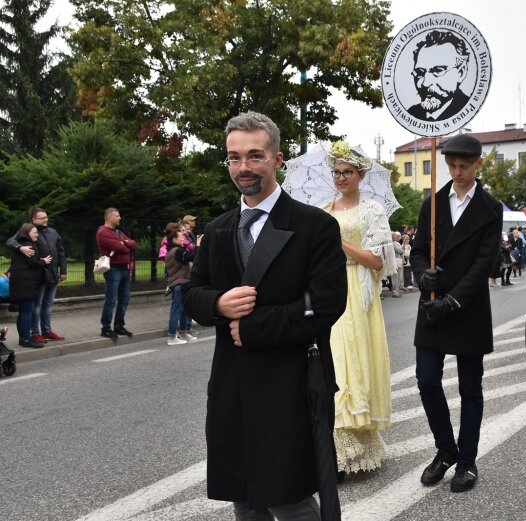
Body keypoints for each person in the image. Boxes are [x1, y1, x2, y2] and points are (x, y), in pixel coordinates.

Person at [182, 111, 347, 521]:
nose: (243, 168)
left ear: (277, 159)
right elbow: (190, 293)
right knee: (244, 497)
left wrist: (253, 326)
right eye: (234, 158)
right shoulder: (219, 229)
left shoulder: (315, 226)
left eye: (255, 156)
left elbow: (326, 304)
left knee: (289, 498)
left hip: (290, 381)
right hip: (231, 384)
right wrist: (218, 304)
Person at [410, 133, 503, 493]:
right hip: (431, 304)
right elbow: (418, 250)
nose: (458, 171)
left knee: (470, 388)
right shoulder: (431, 203)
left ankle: (466, 460)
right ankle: (445, 450)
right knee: (427, 380)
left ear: (479, 164)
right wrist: (421, 275)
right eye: (451, 165)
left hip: (468, 308)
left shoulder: (491, 208)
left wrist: (454, 300)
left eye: (465, 165)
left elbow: (484, 265)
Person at [323, 140, 395, 479]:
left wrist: (340, 245)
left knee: (351, 359)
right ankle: (336, 446)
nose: (340, 178)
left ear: (360, 174)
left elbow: (377, 260)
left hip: (356, 289)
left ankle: (354, 443)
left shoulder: (372, 211)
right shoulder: (324, 209)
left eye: (347, 172)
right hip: (329, 289)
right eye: (336, 172)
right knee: (333, 361)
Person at [5, 208, 67, 344]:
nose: (45, 219)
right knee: (36, 305)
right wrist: (20, 247)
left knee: (48, 304)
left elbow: (61, 251)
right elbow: (10, 242)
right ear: (33, 220)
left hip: (53, 274)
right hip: (39, 275)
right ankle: (35, 333)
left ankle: (47, 331)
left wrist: (63, 270)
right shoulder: (29, 231)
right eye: (41, 218)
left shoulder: (53, 232)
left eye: (46, 217)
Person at [406, 30, 471, 122]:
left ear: (461, 72)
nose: (425, 83)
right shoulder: (412, 113)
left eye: (438, 71)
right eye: (420, 72)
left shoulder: (467, 108)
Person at [8, 223, 52, 348]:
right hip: (26, 285)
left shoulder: (21, 244)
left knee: (23, 312)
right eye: (34, 232)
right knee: (27, 312)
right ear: (27, 233)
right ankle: (26, 340)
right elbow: (33, 263)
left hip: (22, 284)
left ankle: (23, 339)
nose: (37, 234)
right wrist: (44, 261)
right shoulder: (27, 245)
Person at [96, 208, 138, 339]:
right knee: (111, 299)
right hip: (113, 269)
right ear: (109, 217)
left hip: (124, 269)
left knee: (124, 299)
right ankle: (106, 328)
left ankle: (119, 326)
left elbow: (134, 245)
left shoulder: (119, 233)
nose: (120, 218)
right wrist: (125, 245)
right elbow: (120, 248)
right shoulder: (103, 232)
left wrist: (124, 242)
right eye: (117, 216)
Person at [164, 224, 198, 345]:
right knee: (177, 309)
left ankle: (183, 332)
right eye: (180, 236)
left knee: (184, 309)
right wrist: (198, 246)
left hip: (182, 283)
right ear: (174, 239)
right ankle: (172, 337)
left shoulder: (174, 250)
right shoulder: (177, 251)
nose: (183, 238)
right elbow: (191, 256)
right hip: (178, 283)